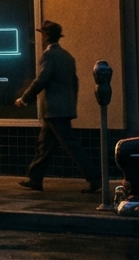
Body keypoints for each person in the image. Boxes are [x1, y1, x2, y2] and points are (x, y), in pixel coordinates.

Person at [16, 20, 101, 193]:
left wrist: (24, 99)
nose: (40, 38)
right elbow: (74, 83)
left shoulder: (49, 56)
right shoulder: (67, 56)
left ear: (45, 36)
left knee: (71, 145)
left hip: (54, 110)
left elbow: (41, 80)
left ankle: (94, 178)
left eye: (41, 35)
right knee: (45, 145)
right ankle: (35, 179)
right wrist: (71, 104)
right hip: (62, 108)